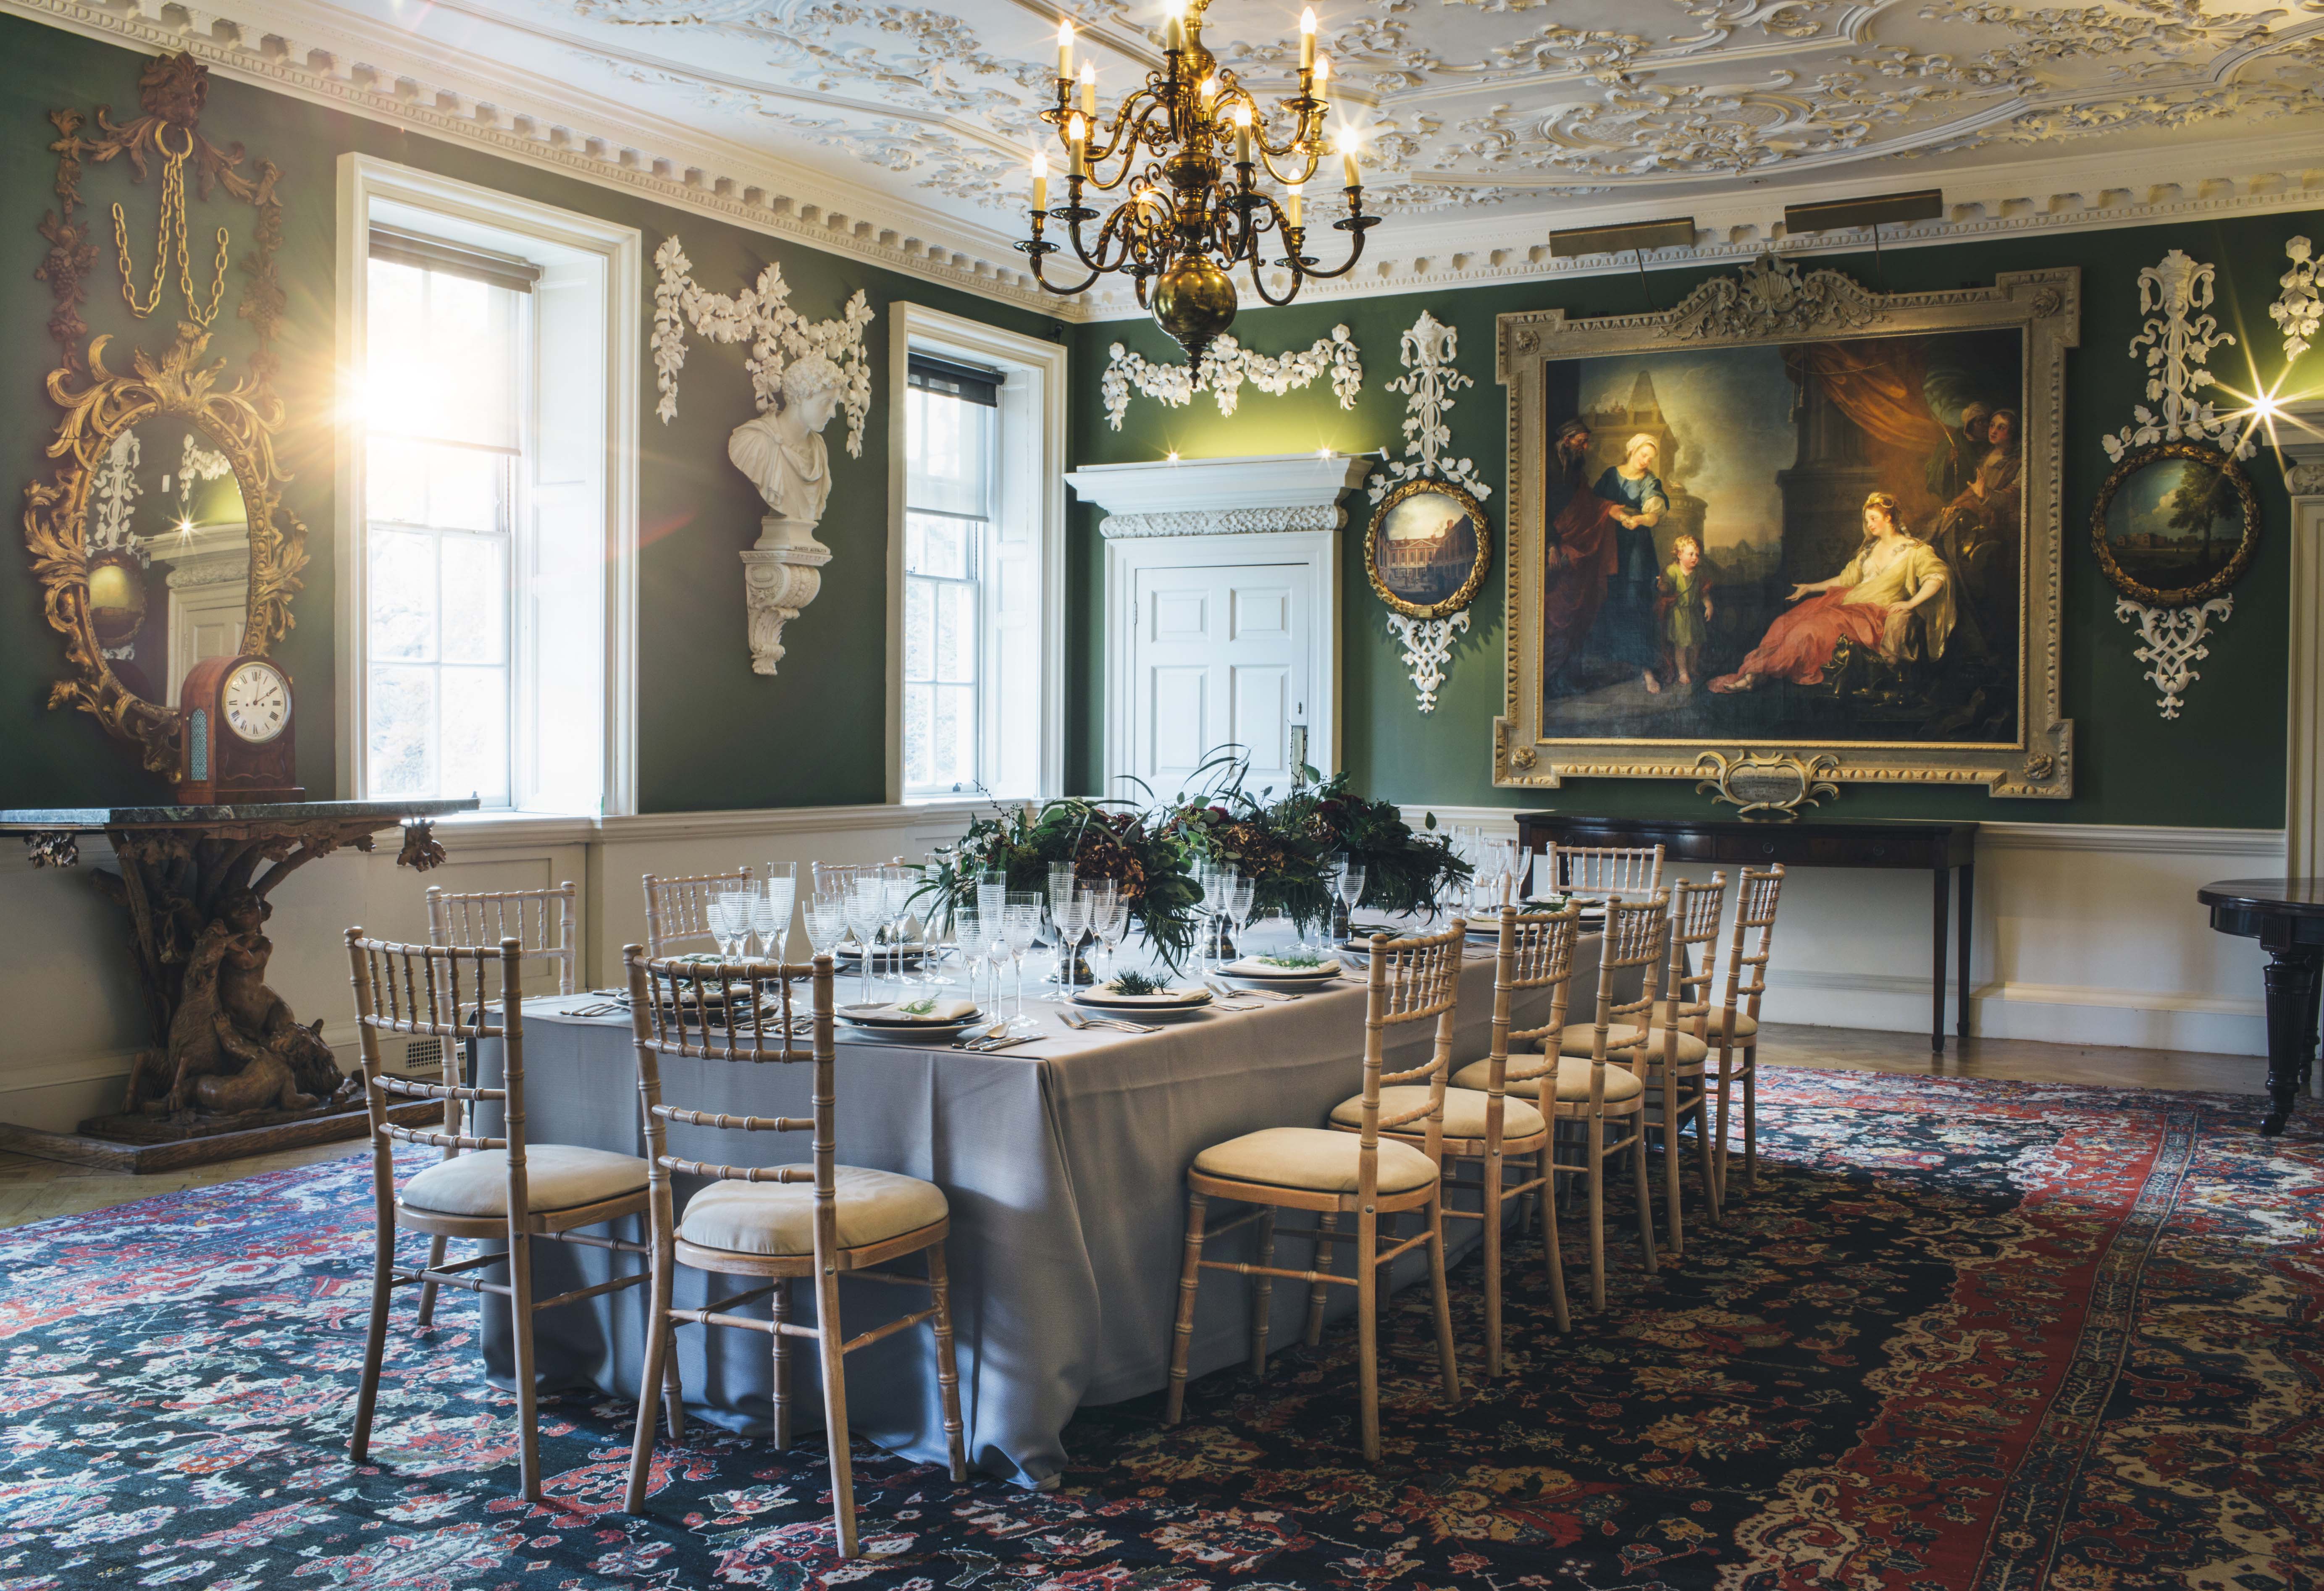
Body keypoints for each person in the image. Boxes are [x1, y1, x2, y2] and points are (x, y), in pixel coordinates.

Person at [1710, 493, 1954, 693]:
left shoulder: (1914, 551)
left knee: (1807, 631)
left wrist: (1911, 603)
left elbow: (1937, 577)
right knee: (1784, 624)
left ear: (1889, 518)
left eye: (1874, 518)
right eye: (1867, 519)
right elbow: (1846, 579)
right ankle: (1754, 675)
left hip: (1872, 615)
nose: (1869, 525)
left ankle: (1759, 673)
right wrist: (1810, 587)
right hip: (1846, 604)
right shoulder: (1869, 551)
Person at [727, 353, 847, 532]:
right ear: (799, 396)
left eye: (834, 404)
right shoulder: (756, 441)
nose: (833, 413)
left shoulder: (819, 448)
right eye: (826, 402)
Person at [1661, 534, 1713, 687]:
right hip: (1679, 614)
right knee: (1681, 645)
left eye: (1697, 555)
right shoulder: (1672, 571)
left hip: (1694, 613)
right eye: (1691, 554)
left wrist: (1709, 605)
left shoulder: (1698, 574)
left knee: (1696, 643)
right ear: (1680, 555)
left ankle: (1692, 666)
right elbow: (1665, 588)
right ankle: (1683, 672)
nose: (1695, 558)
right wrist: (1662, 586)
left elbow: (1703, 593)